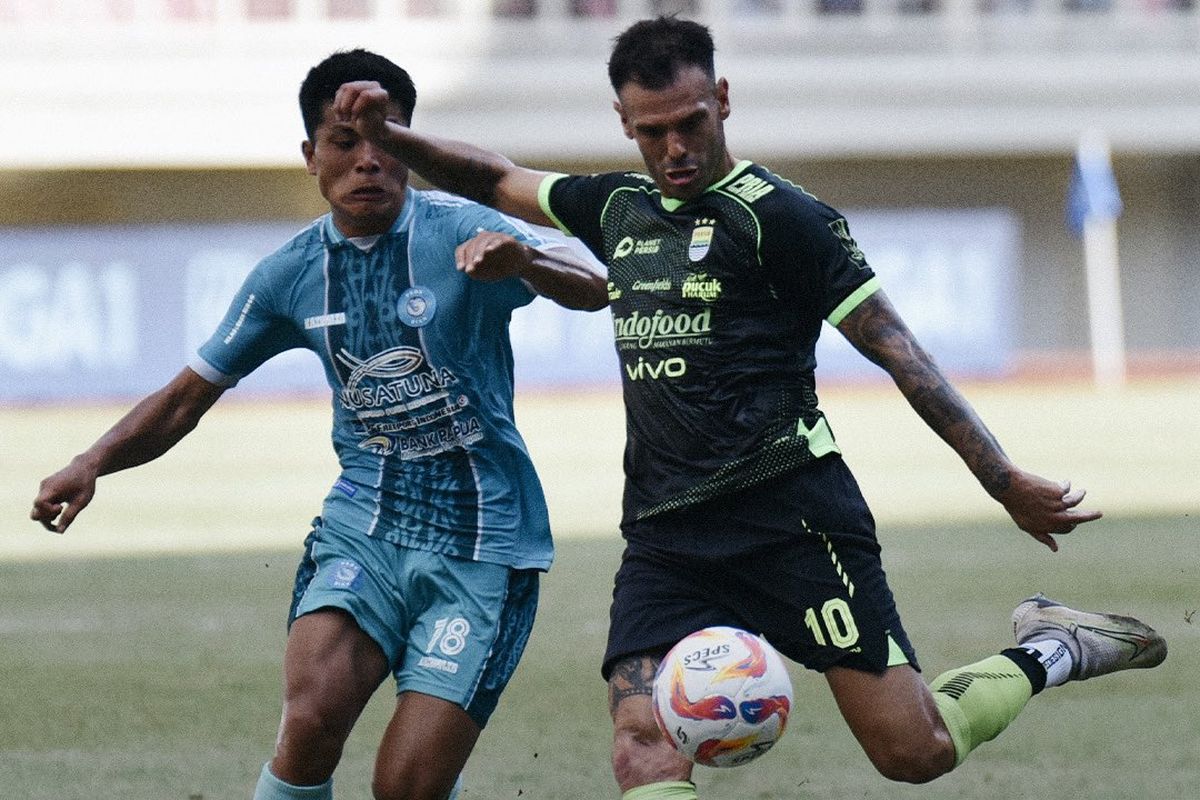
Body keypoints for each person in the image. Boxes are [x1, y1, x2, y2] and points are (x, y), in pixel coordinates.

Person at [330, 18, 1168, 798]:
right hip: (665, 535)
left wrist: (1000, 477)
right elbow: (491, 175)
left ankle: (1053, 647)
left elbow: (897, 348)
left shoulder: (783, 218)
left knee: (913, 751)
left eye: (690, 122)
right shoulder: (614, 209)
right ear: (623, 121)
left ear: (722, 100)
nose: (675, 148)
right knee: (642, 742)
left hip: (791, 517)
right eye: (652, 131)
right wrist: (390, 136)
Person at [30, 49, 607, 800]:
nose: (368, 160)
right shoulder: (290, 274)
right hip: (365, 527)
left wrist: (524, 260)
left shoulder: (464, 229)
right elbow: (185, 397)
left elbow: (596, 284)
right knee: (309, 721)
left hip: (484, 545)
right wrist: (91, 462)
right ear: (311, 156)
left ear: (411, 147)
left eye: (387, 140)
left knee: (407, 787)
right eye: (344, 142)